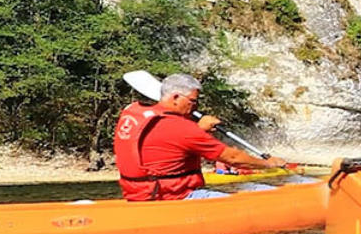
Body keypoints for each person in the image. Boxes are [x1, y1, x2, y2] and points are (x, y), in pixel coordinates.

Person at [114, 74, 287, 201]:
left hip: (138, 196)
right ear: (175, 97)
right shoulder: (183, 129)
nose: (195, 106)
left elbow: (166, 141)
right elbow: (232, 158)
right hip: (177, 197)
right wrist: (268, 163)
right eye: (193, 101)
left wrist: (197, 129)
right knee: (259, 190)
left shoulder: (132, 112)